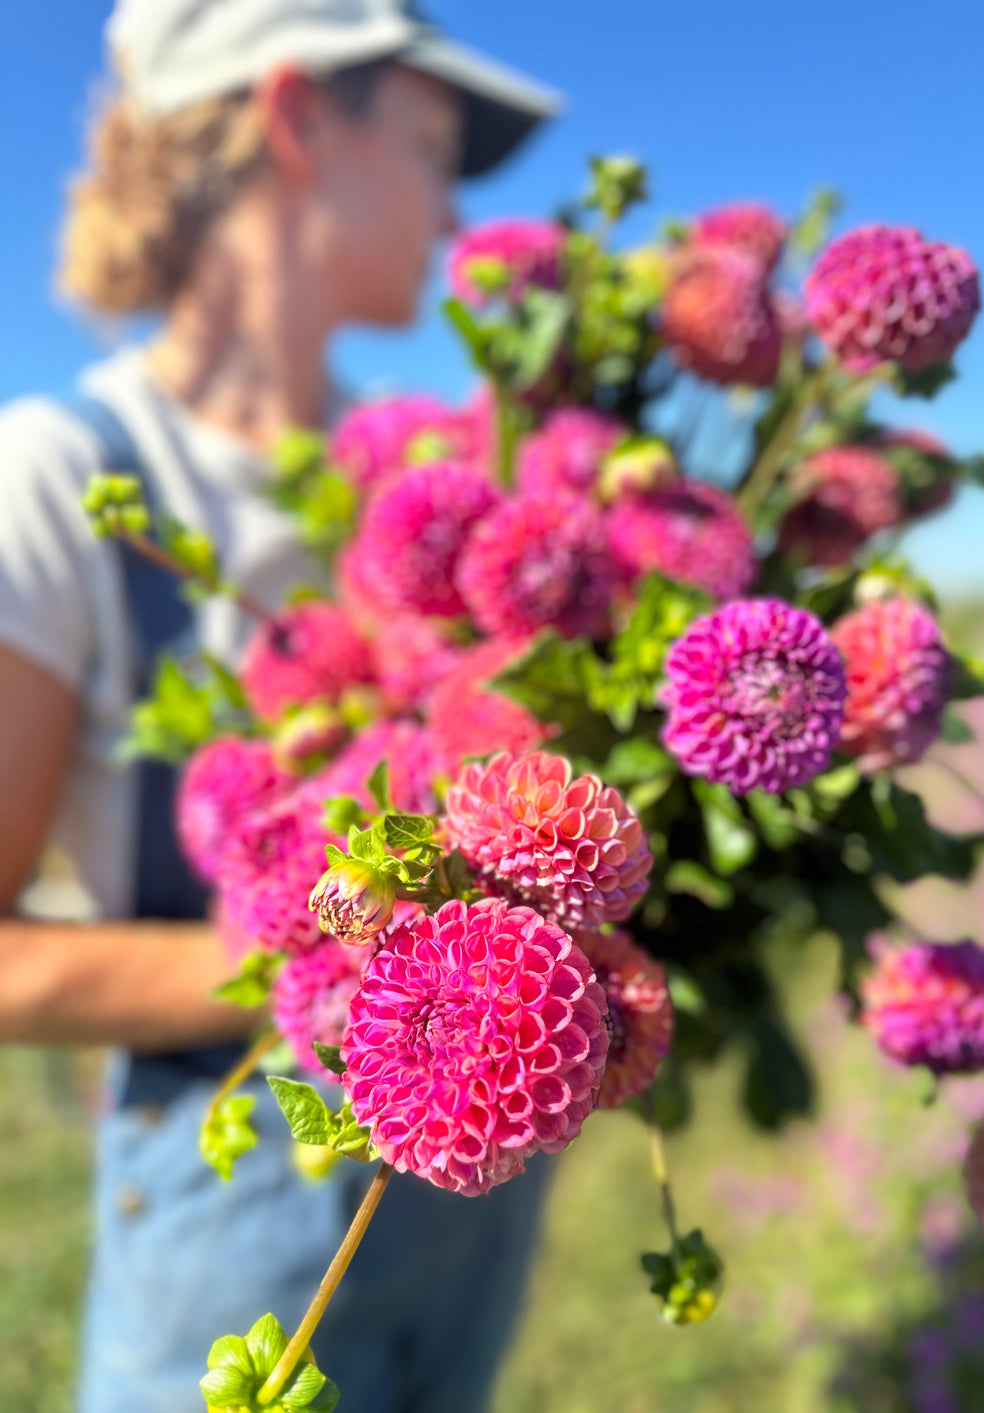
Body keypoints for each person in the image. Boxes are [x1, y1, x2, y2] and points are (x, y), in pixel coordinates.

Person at [0, 3, 562, 1410]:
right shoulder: (60, 483)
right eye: (434, 147)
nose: (455, 209)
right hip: (235, 1194)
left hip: (473, 1180)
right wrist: (362, 985)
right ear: (299, 116)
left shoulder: (415, 485)